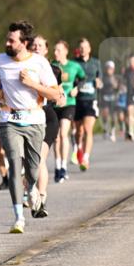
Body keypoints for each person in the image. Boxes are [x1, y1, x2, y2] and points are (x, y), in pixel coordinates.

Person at [0, 21, 61, 234]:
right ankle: (19, 217)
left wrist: (33, 85)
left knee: (33, 169)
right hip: (9, 120)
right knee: (14, 165)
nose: (6, 43)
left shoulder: (39, 63)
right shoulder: (0, 61)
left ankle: (33, 189)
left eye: (12, 40)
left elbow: (55, 94)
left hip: (35, 121)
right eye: (7, 39)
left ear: (24, 43)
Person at [29, 35, 64, 218]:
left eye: (40, 45)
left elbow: (59, 94)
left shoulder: (54, 70)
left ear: (46, 50)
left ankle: (41, 199)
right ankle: (31, 193)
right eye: (33, 45)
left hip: (47, 117)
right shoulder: (22, 67)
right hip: (27, 118)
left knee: (40, 159)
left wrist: (60, 97)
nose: (36, 47)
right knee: (27, 162)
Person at [52, 40, 85, 183]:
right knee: (56, 137)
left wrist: (77, 88)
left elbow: (83, 78)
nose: (56, 53)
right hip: (54, 104)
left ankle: (64, 166)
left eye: (59, 50)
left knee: (63, 134)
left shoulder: (74, 66)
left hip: (69, 103)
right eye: (54, 50)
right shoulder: (50, 66)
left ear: (66, 51)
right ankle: (57, 166)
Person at [73, 38, 102, 170]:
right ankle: (78, 147)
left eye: (85, 47)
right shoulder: (74, 63)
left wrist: (99, 83)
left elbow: (100, 80)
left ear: (89, 49)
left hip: (91, 100)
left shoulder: (96, 63)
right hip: (77, 100)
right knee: (79, 132)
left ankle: (86, 158)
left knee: (87, 129)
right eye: (81, 47)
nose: (83, 49)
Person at [99, 60, 122, 141]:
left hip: (113, 98)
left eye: (111, 68)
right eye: (108, 68)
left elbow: (119, 88)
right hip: (105, 97)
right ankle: (105, 128)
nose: (109, 70)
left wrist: (115, 85)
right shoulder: (103, 77)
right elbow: (100, 88)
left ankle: (112, 131)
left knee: (113, 116)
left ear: (113, 69)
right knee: (105, 114)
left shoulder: (116, 77)